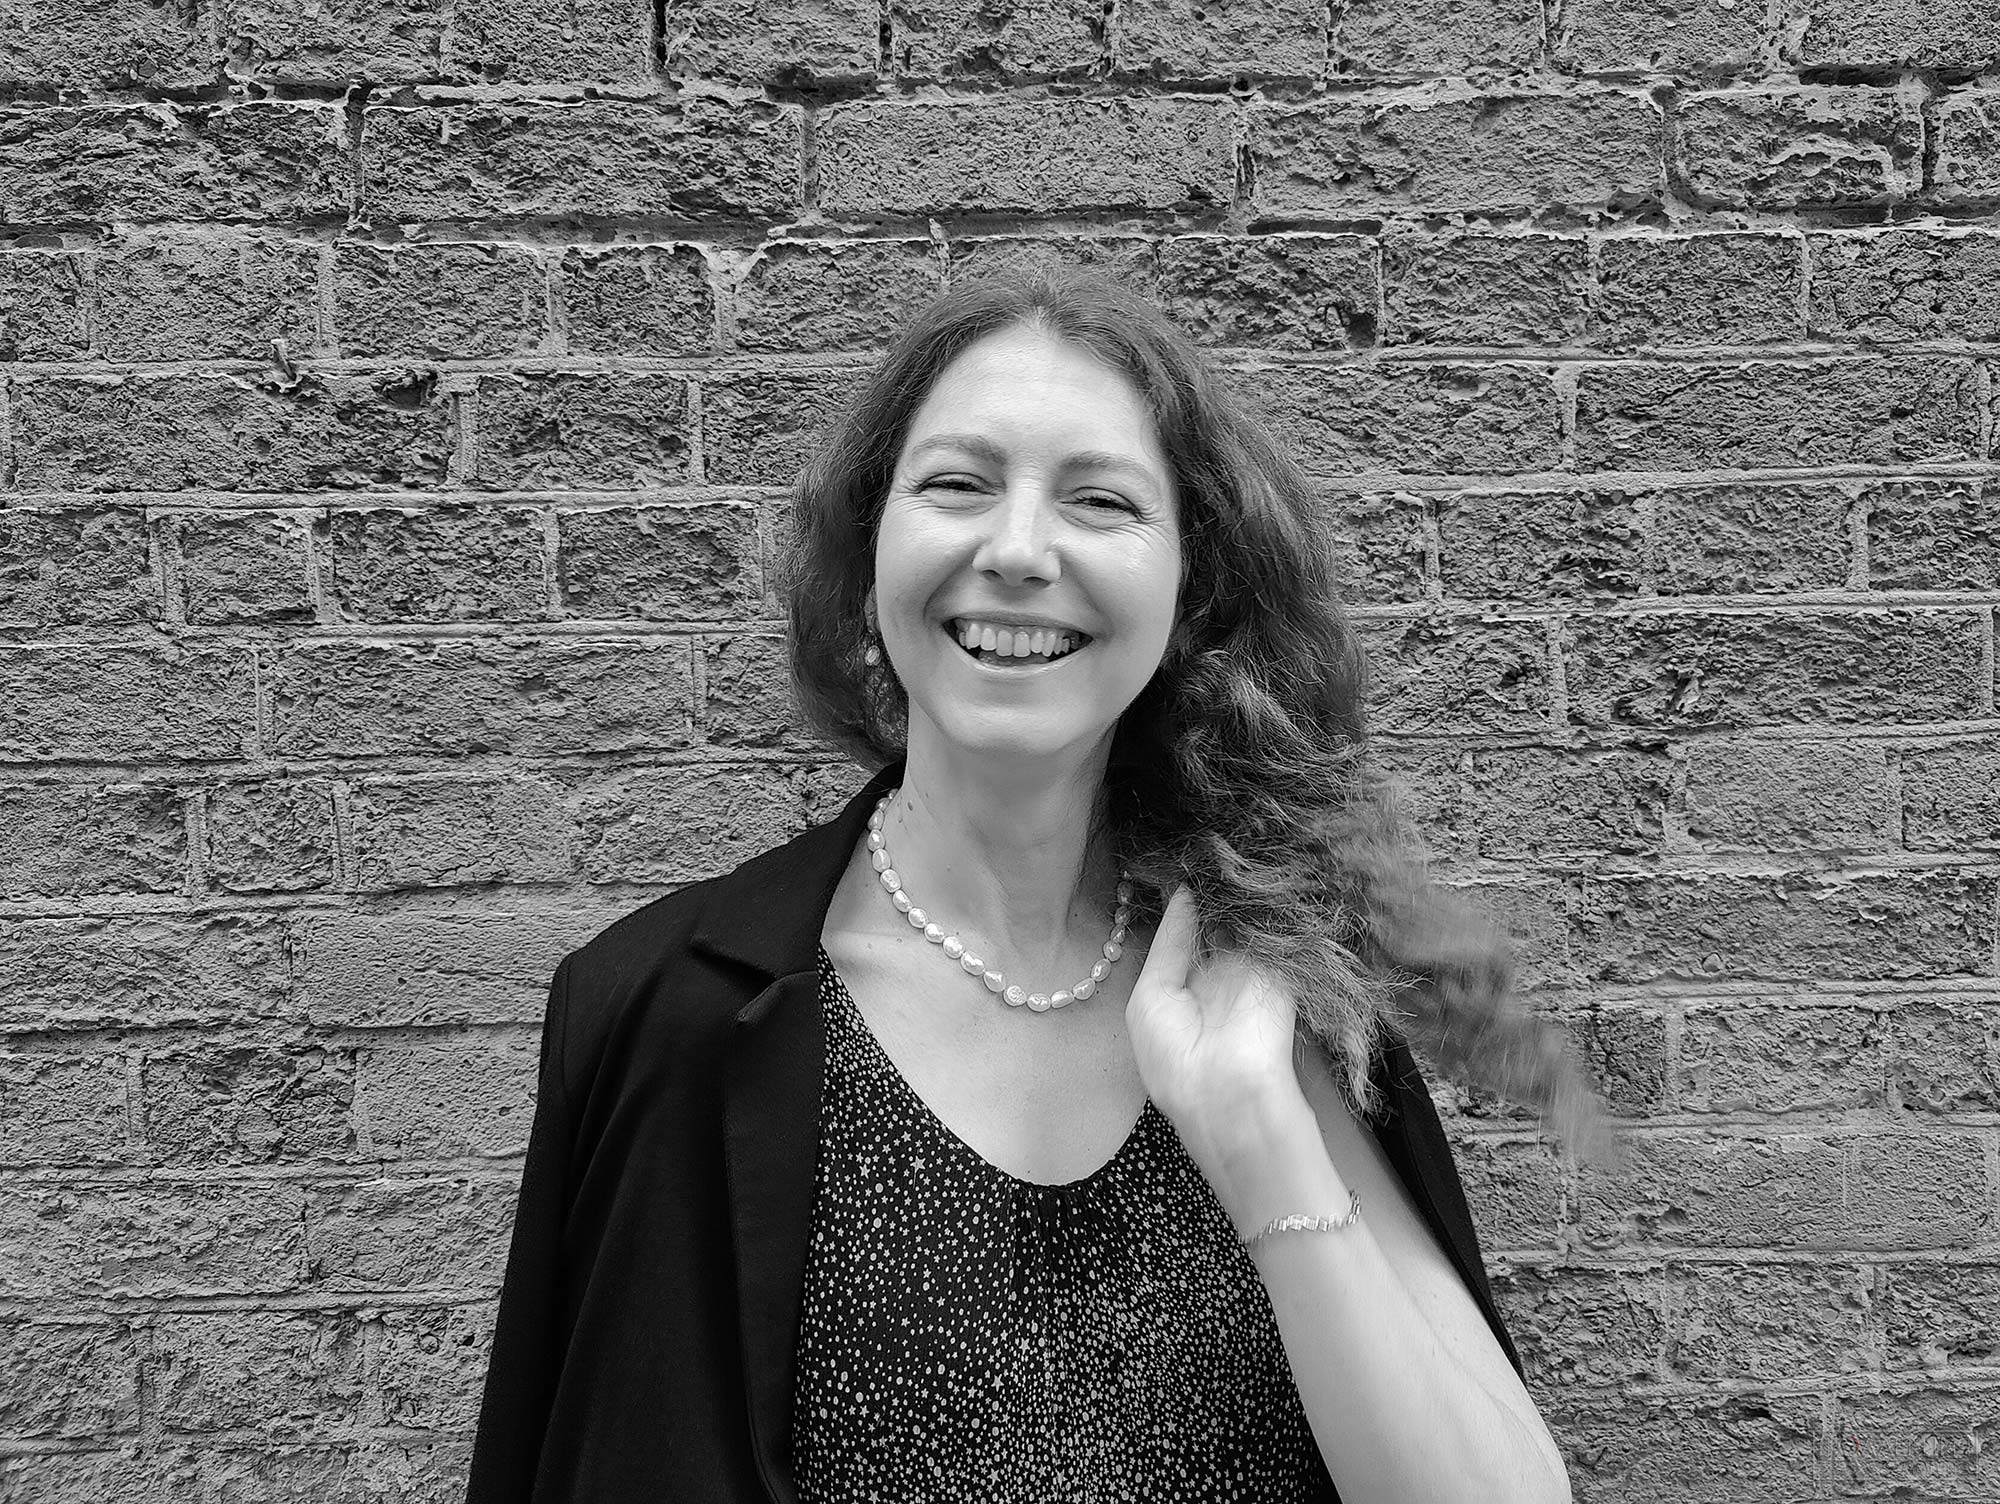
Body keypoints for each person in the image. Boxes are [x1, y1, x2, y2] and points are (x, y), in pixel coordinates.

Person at [466, 266, 1587, 1503]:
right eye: (956, 484)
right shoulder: (649, 1013)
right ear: (870, 547)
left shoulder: (1276, 984)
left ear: (1189, 587)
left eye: (1099, 500)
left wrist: (1258, 1137)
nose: (1015, 550)